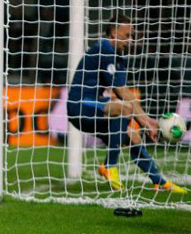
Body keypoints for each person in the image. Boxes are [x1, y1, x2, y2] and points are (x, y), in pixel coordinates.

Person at [67, 14, 187, 194]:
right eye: (127, 35)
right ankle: (110, 165)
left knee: (134, 137)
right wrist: (146, 122)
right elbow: (121, 92)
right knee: (124, 109)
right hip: (80, 106)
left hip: (92, 107)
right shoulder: (104, 50)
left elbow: (125, 93)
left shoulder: (118, 56)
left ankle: (159, 181)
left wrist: (147, 121)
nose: (130, 40)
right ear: (114, 33)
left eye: (132, 36)